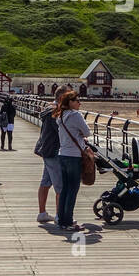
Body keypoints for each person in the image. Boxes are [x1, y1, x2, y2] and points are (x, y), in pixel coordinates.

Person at [53, 89, 90, 233]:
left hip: (63, 155)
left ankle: (62, 220)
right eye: (77, 100)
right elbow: (87, 132)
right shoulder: (75, 115)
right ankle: (68, 222)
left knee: (64, 189)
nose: (80, 103)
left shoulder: (60, 115)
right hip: (74, 156)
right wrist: (80, 133)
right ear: (70, 102)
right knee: (73, 190)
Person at [33, 92, 63, 223]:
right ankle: (60, 216)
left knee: (45, 182)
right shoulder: (55, 112)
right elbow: (61, 132)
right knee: (60, 186)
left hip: (46, 149)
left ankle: (42, 213)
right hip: (53, 150)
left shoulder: (48, 109)